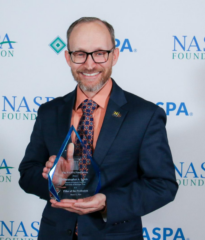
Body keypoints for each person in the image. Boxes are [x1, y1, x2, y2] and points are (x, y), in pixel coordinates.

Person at [19, 17, 178, 240]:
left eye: (100, 53)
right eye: (80, 54)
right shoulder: (49, 112)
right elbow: (27, 174)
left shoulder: (145, 115)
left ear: (115, 55)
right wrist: (52, 179)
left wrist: (106, 203)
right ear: (68, 57)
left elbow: (163, 185)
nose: (90, 64)